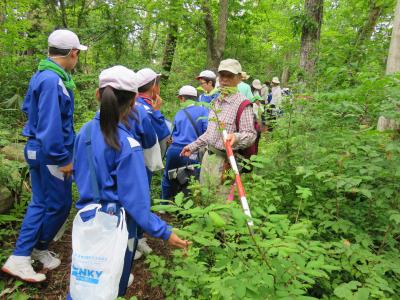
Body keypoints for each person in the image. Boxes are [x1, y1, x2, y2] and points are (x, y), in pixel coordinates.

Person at [72, 66, 190, 297]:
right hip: (118, 227)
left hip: (86, 220)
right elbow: (136, 205)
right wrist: (165, 232)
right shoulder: (127, 145)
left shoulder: (83, 133)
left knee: (84, 282)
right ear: (134, 100)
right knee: (112, 285)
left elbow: (80, 173)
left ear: (98, 95)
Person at [1, 29, 87, 283]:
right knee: (57, 205)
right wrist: (63, 159)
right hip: (49, 153)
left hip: (38, 149)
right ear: (72, 54)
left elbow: (30, 109)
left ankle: (33, 250)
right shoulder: (52, 80)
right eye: (77, 54)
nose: (77, 58)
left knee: (41, 202)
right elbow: (50, 127)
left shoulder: (43, 74)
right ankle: (22, 255)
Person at [181, 59, 257, 201]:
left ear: (239, 78)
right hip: (207, 158)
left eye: (230, 76)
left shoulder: (243, 104)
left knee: (221, 202)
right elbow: (210, 133)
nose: (225, 80)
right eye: (222, 75)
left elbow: (251, 135)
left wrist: (236, 137)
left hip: (226, 163)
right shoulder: (216, 102)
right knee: (205, 196)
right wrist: (192, 146)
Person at [161, 85, 208, 200]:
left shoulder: (180, 113)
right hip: (191, 151)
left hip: (174, 150)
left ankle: (164, 205)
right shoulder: (203, 111)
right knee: (190, 179)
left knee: (169, 177)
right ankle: (185, 211)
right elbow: (207, 131)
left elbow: (173, 132)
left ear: (182, 98)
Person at [135, 68, 171, 183]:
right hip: (142, 163)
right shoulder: (147, 109)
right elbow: (162, 134)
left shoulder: (133, 102)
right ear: (153, 87)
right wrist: (156, 111)